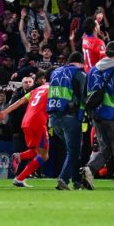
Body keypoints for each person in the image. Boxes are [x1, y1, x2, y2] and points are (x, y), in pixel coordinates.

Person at [80, 41, 114, 191]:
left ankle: (89, 169)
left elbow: (85, 93)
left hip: (96, 115)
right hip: (113, 114)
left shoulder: (92, 70)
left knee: (106, 149)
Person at [0, 72, 51, 188]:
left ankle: (19, 157)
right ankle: (19, 179)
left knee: (38, 151)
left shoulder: (37, 90)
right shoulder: (54, 89)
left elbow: (20, 102)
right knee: (44, 155)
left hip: (26, 121)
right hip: (38, 122)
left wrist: (5, 112)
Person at [46, 51, 86, 190]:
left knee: (73, 150)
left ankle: (77, 181)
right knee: (73, 150)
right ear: (81, 63)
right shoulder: (79, 74)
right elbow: (84, 96)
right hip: (70, 116)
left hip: (53, 118)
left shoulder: (55, 72)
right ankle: (63, 179)